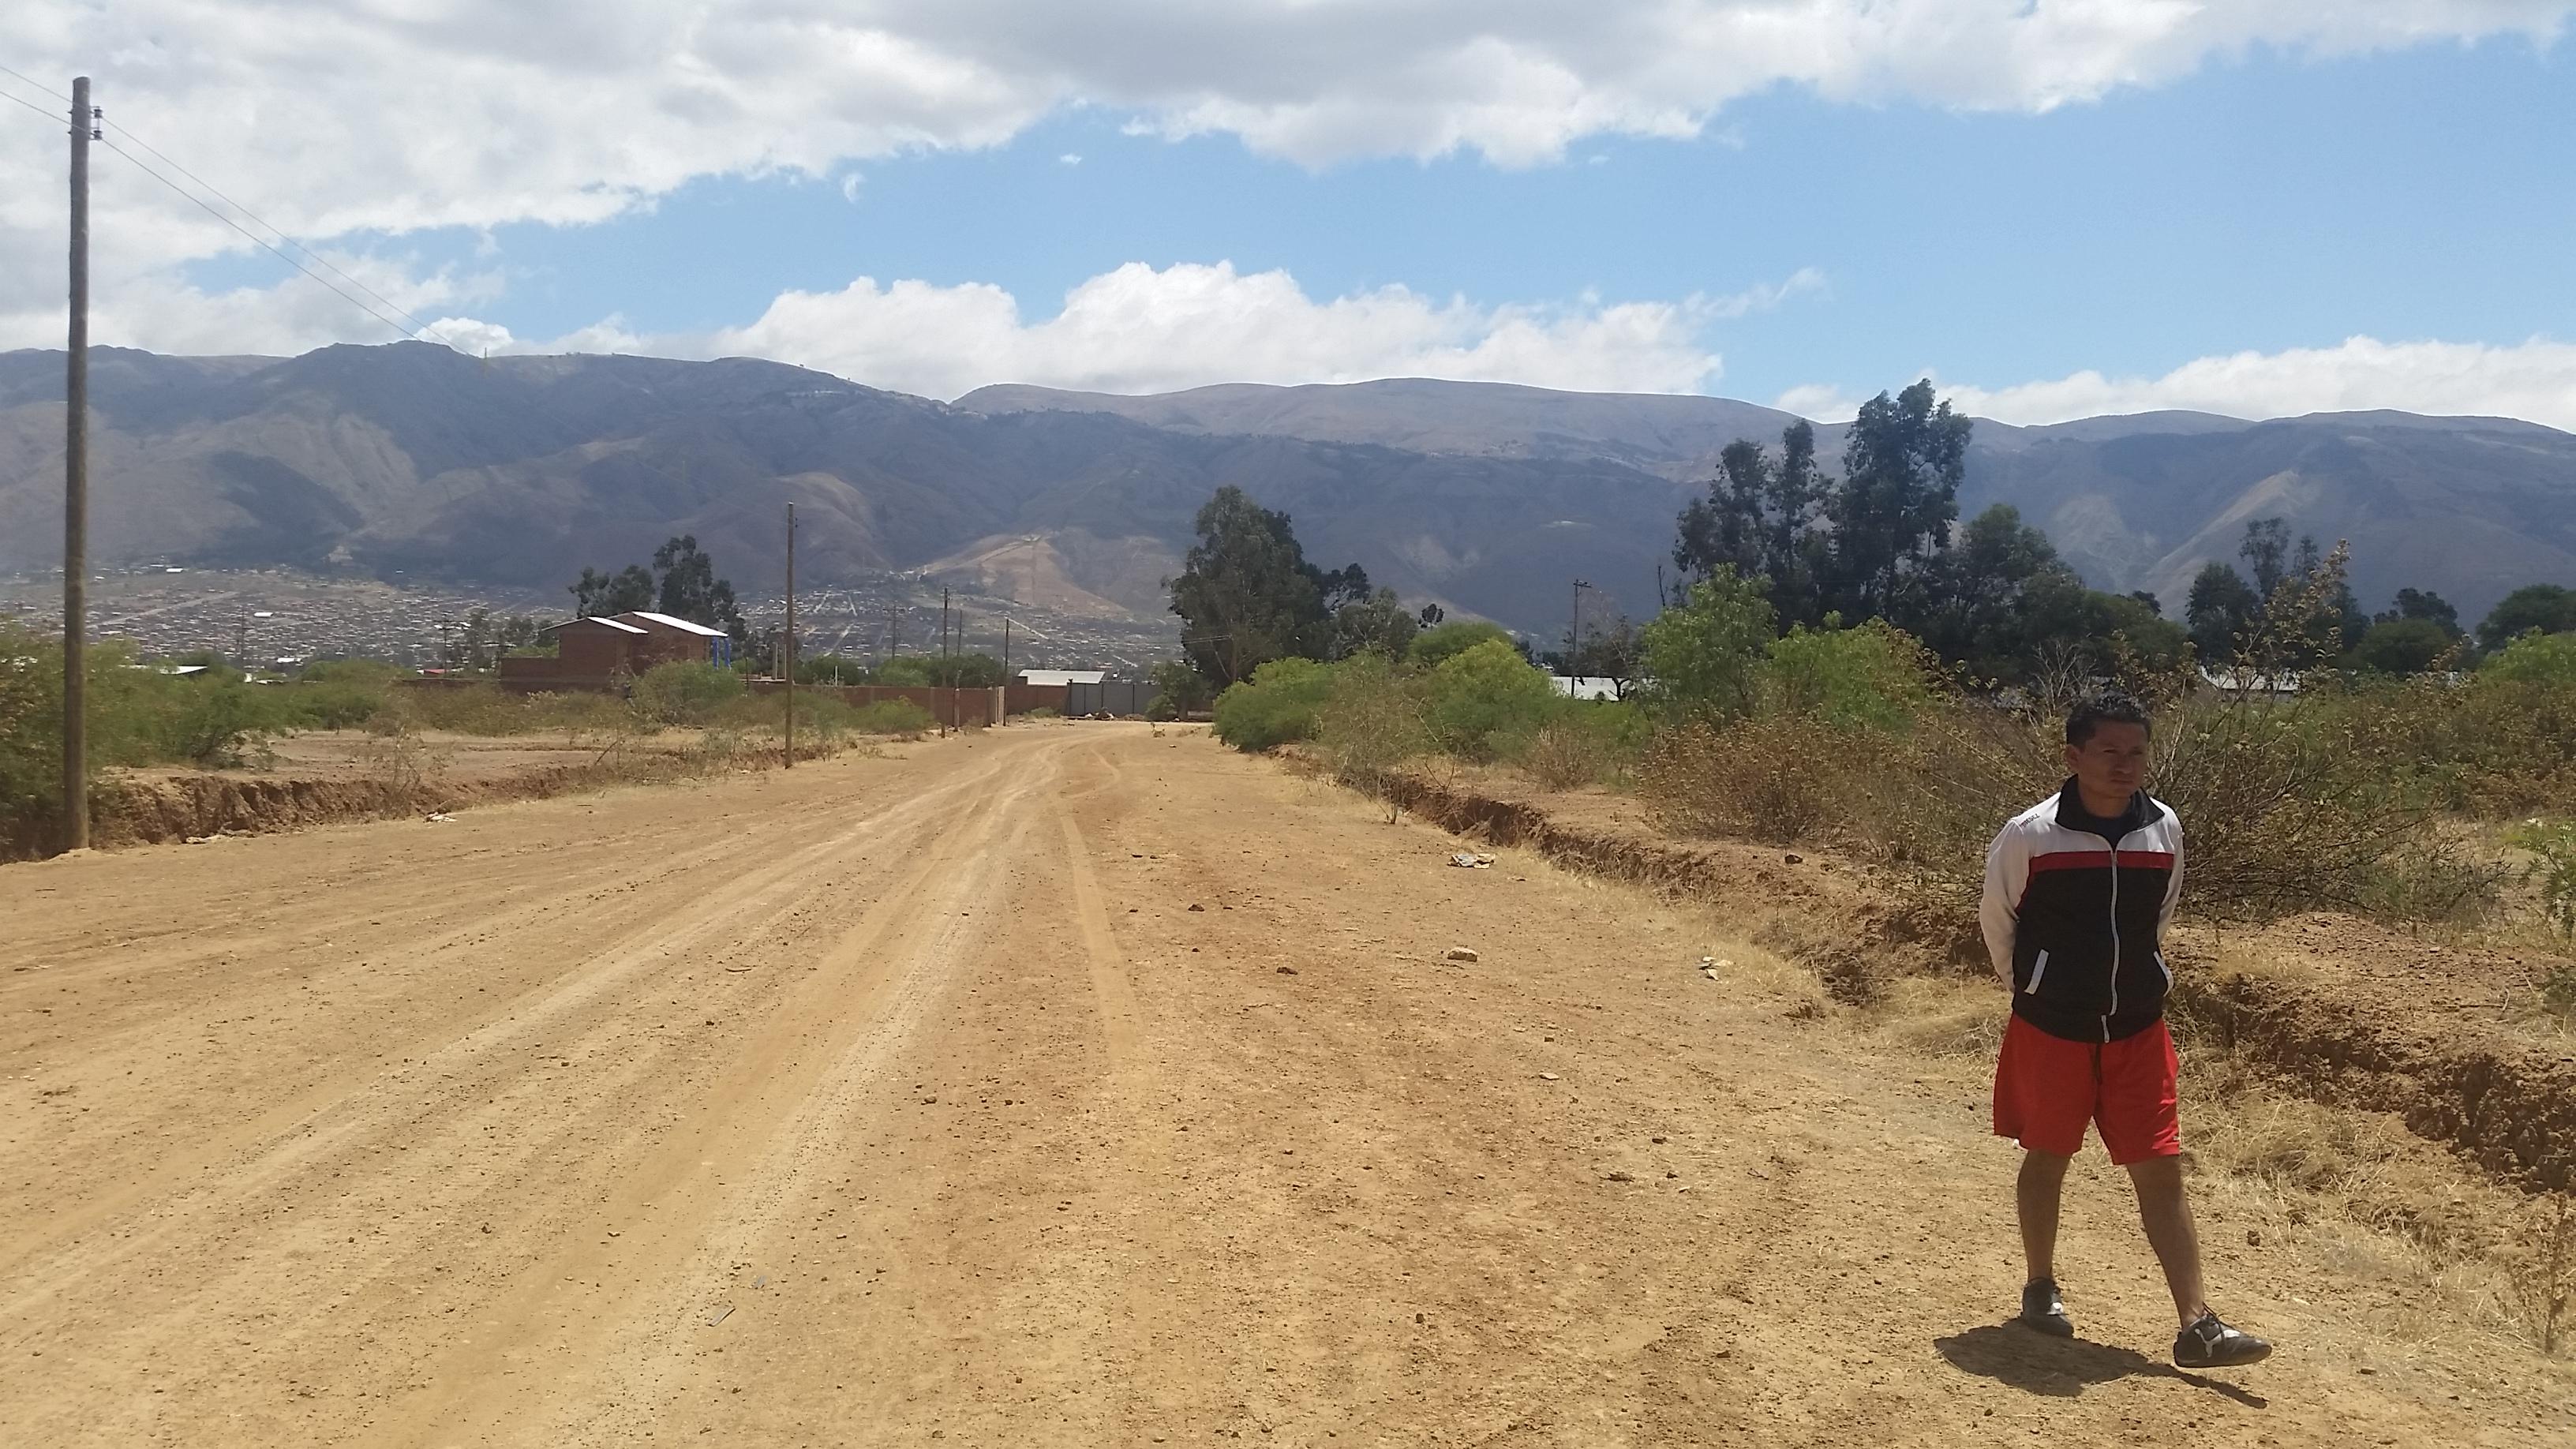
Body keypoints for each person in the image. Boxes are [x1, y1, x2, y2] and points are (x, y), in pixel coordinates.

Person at [1979, 691, 2272, 1369]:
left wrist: (2139, 979)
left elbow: (2159, 920)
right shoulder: (2032, 833)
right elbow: (1999, 923)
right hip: (2051, 1028)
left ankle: (2198, 1325)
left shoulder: (2163, 827)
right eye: (2109, 751)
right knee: (2049, 1154)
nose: (2124, 765)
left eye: (2136, 751)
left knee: (2160, 1168)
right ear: (2073, 756)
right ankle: (2040, 1286)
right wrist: (2036, 990)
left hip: (2139, 1028)